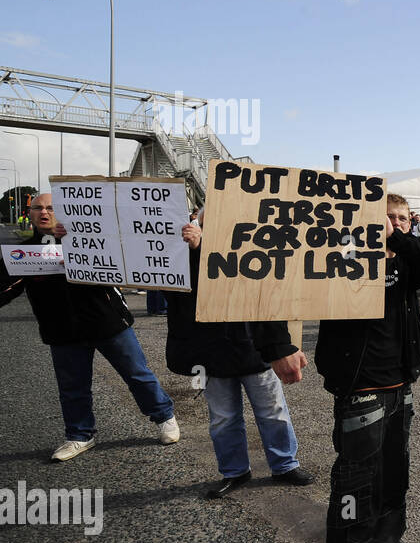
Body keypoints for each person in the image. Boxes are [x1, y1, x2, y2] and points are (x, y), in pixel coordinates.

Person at [314, 193, 420, 543]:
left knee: (394, 475)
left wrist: (402, 240)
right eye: (388, 217)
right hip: (360, 386)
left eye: (403, 219)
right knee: (355, 485)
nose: (396, 224)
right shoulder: (342, 254)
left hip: (400, 383)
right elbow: (287, 282)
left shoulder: (406, 259)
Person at [0, 193, 179, 461]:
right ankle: (79, 435)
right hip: (61, 330)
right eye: (38, 208)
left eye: (50, 208)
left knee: (137, 374)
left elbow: (126, 256)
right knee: (72, 387)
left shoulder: (88, 239)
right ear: (31, 213)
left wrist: (72, 246)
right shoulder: (24, 252)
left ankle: (164, 416)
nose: (44, 213)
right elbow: (6, 288)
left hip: (108, 322)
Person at [167, 216, 313, 498]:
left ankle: (284, 465)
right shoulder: (181, 247)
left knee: (273, 411)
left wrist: (279, 347)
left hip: (254, 348)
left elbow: (273, 293)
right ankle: (234, 471)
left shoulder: (256, 245)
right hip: (211, 349)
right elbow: (177, 293)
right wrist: (197, 249)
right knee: (223, 417)